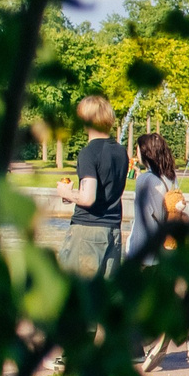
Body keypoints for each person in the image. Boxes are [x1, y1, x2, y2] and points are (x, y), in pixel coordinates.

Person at [131, 132, 189, 370]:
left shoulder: (145, 181)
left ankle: (152, 342)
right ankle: (188, 326)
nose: (135, 154)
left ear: (146, 154)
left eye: (137, 150)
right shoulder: (170, 179)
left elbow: (152, 216)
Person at [62, 94, 128, 279]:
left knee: (78, 294)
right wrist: (75, 194)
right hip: (113, 229)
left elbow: (88, 198)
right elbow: (105, 190)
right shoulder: (121, 152)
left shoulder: (88, 153)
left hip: (88, 230)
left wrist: (66, 192)